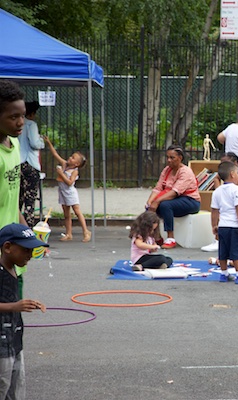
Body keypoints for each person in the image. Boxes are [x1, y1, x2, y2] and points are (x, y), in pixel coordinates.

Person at [0, 223, 48, 399]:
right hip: (1, 345)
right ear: (7, 247)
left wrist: (27, 304)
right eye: (26, 250)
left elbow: (13, 301)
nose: (30, 255)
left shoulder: (14, 270)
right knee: (2, 384)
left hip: (14, 339)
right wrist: (14, 306)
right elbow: (12, 304)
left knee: (16, 386)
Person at [146, 145, 201, 249]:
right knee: (150, 207)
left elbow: (175, 192)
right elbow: (158, 188)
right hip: (174, 199)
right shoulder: (167, 170)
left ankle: (171, 238)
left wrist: (156, 201)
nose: (169, 160)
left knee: (165, 205)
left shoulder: (185, 171)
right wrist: (150, 201)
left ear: (180, 158)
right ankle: (155, 237)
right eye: (167, 157)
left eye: (172, 158)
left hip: (190, 201)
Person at [210, 161, 238, 284]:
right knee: (236, 251)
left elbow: (214, 210)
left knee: (222, 251)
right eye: (237, 173)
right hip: (234, 225)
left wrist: (214, 225)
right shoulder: (237, 190)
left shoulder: (217, 191)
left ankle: (224, 274)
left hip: (222, 225)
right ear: (233, 174)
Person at [43, 136, 91, 242]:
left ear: (77, 164)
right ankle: (68, 233)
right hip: (62, 192)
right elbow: (55, 154)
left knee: (77, 211)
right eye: (71, 156)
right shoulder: (65, 164)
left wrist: (61, 173)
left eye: (73, 158)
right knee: (66, 214)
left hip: (70, 192)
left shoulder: (74, 171)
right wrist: (49, 143)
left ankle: (86, 231)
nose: (70, 158)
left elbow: (70, 183)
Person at [0, 80, 28, 229]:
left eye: (22, 116)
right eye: (13, 117)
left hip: (8, 243)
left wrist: (27, 235)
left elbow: (11, 204)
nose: (21, 122)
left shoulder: (14, 143)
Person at [18, 101, 44, 227]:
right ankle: (28, 228)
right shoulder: (31, 125)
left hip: (18, 163)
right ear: (32, 113)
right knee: (30, 199)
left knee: (18, 199)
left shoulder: (17, 124)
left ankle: (14, 225)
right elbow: (34, 143)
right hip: (30, 164)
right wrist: (41, 142)